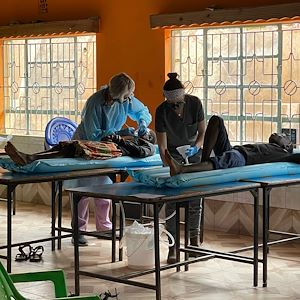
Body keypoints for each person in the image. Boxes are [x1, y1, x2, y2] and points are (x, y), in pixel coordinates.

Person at [71, 72, 152, 245]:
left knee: (104, 188)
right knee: (82, 190)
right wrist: (119, 133)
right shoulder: (95, 102)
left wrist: (143, 123)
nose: (127, 100)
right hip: (85, 145)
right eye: (124, 98)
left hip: (107, 148)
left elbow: (142, 111)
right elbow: (93, 134)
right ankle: (78, 230)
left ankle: (104, 227)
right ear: (116, 95)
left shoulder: (126, 100)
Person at [155, 72, 206, 263]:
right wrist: (168, 163)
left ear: (184, 98)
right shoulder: (161, 111)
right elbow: (161, 145)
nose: (176, 108)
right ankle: (173, 246)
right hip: (173, 157)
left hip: (194, 156)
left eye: (179, 104)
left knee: (195, 199)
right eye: (172, 105)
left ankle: (193, 243)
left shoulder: (195, 104)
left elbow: (202, 132)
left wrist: (196, 148)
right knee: (172, 202)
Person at [165, 115, 298, 176]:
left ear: (287, 146)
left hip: (243, 158)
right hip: (235, 150)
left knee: (229, 158)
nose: (277, 133)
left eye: (282, 136)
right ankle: (204, 161)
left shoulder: (284, 154)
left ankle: (181, 169)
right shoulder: (269, 146)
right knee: (216, 120)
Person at [4, 130, 157, 166]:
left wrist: (122, 142)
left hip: (112, 151)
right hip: (106, 145)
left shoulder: (149, 146)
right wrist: (112, 137)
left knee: (72, 150)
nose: (141, 132)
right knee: (65, 145)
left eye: (145, 133)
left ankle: (31, 158)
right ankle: (29, 155)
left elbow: (141, 153)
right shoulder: (131, 138)